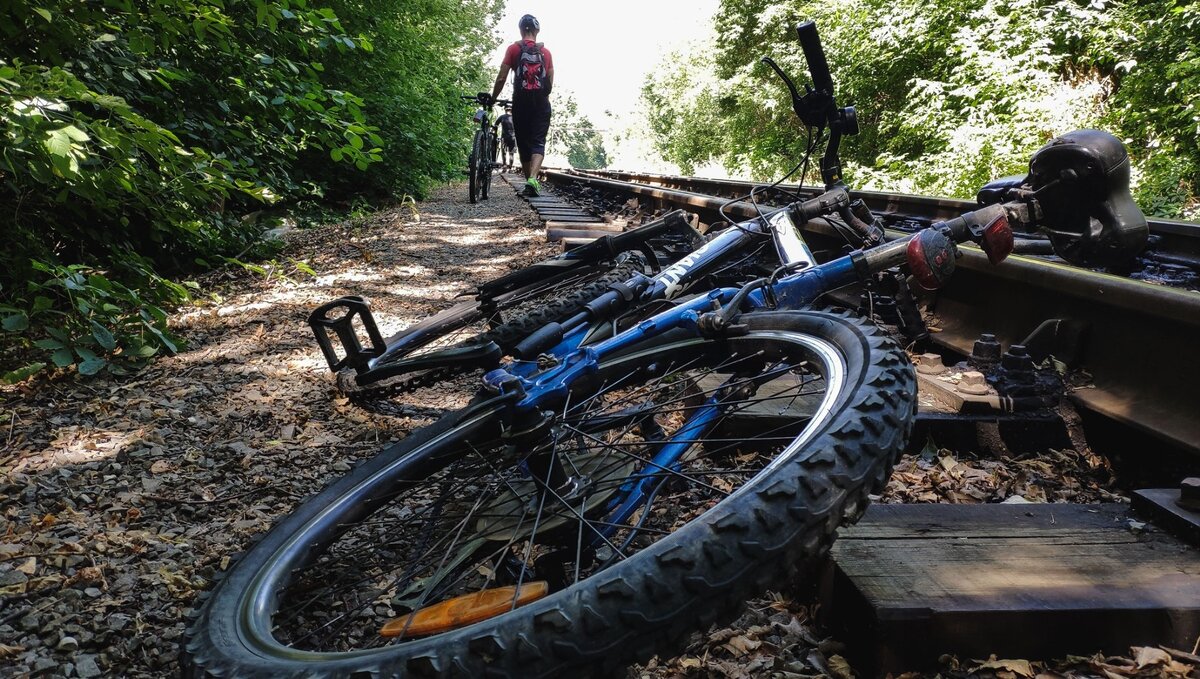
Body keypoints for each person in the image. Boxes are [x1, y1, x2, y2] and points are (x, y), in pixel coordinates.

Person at [489, 14, 553, 196]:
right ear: (537, 31)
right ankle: (533, 179)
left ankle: (529, 183)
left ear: (520, 30)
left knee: (524, 144)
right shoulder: (546, 53)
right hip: (541, 103)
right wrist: (540, 98)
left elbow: (501, 77)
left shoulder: (513, 49)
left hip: (520, 103)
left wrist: (494, 98)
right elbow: (549, 81)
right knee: (538, 142)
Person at [494, 103, 516, 170]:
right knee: (511, 154)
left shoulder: (502, 117)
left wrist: (495, 133)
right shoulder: (516, 117)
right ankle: (510, 168)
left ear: (505, 110)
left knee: (503, 152)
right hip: (513, 137)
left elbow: (495, 125)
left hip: (504, 137)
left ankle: (504, 165)